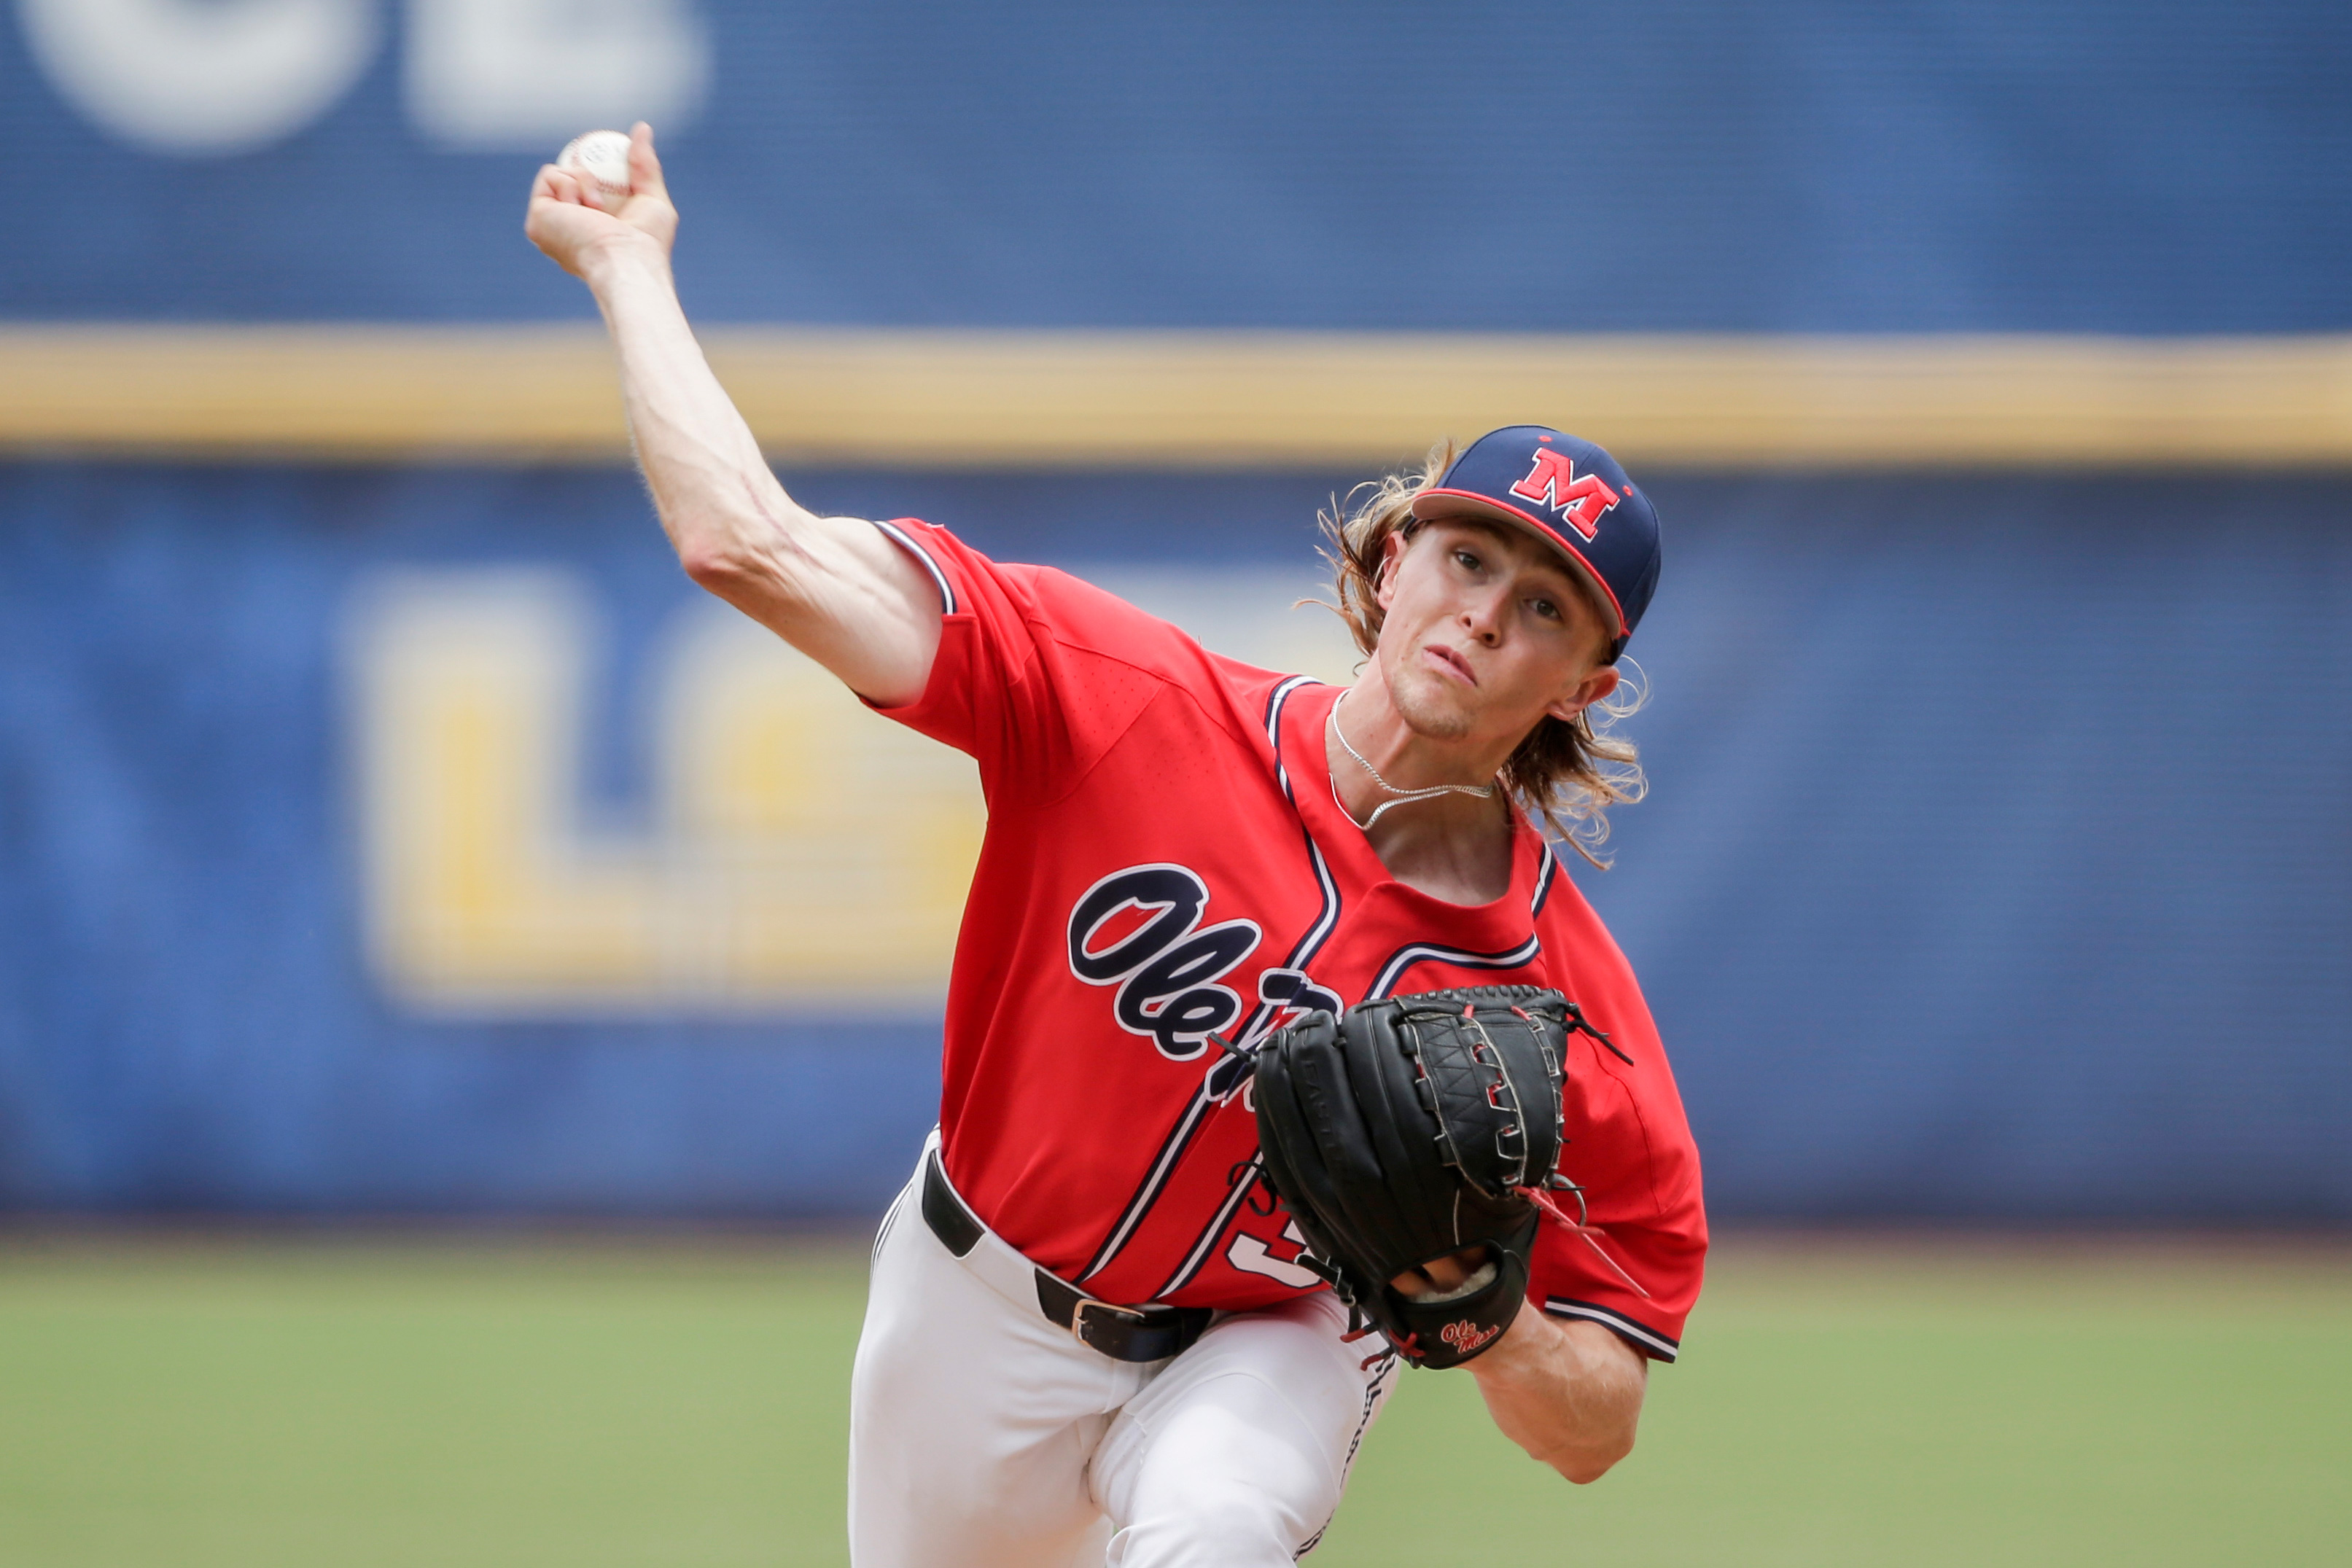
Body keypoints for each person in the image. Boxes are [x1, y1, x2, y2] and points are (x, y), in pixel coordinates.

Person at [527, 125, 1706, 1568]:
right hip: (971, 1308)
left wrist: (1481, 1309)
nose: (1480, 614)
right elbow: (740, 544)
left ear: (1584, 685)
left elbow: (1594, 1423)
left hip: (1279, 1341)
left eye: (1544, 608)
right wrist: (626, 264)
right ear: (1393, 559)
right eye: (1468, 559)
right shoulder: (1116, 701)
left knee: (1211, 1522)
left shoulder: (1559, 997)